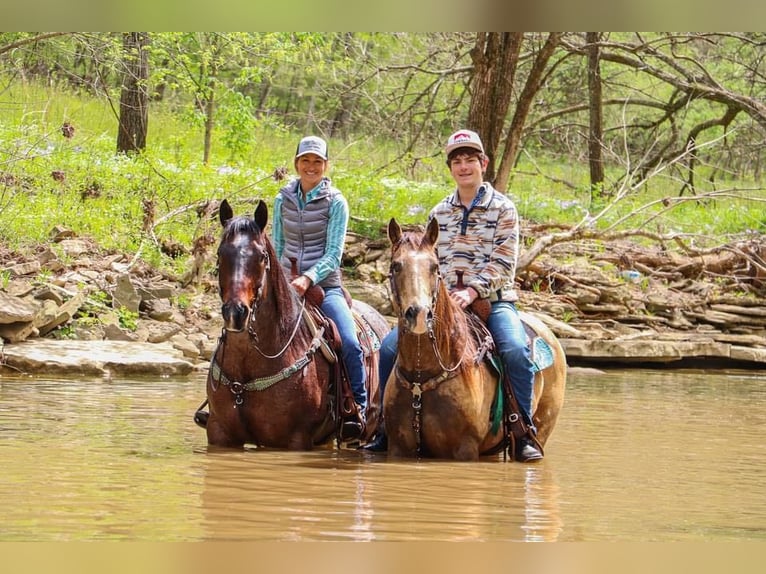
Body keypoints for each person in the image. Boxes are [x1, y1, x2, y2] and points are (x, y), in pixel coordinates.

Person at [362, 129, 543, 461]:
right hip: (443, 304)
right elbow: (430, 264)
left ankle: (522, 430)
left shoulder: (504, 209)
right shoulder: (439, 213)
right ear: (451, 168)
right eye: (457, 161)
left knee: (516, 350)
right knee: (388, 349)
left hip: (493, 300)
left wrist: (472, 290)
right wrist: (440, 296)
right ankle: (382, 428)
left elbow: (504, 263)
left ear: (483, 164)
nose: (463, 167)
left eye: (470, 160)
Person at [272, 135, 367, 440]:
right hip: (285, 284)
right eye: (305, 161)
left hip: (324, 286)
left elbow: (334, 254)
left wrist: (308, 278)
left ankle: (358, 408)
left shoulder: (336, 201)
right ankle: (222, 400)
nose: (311, 166)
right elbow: (277, 244)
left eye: (317, 161)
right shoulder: (282, 198)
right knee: (239, 326)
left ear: (326, 166)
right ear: (296, 164)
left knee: (349, 342)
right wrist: (279, 279)